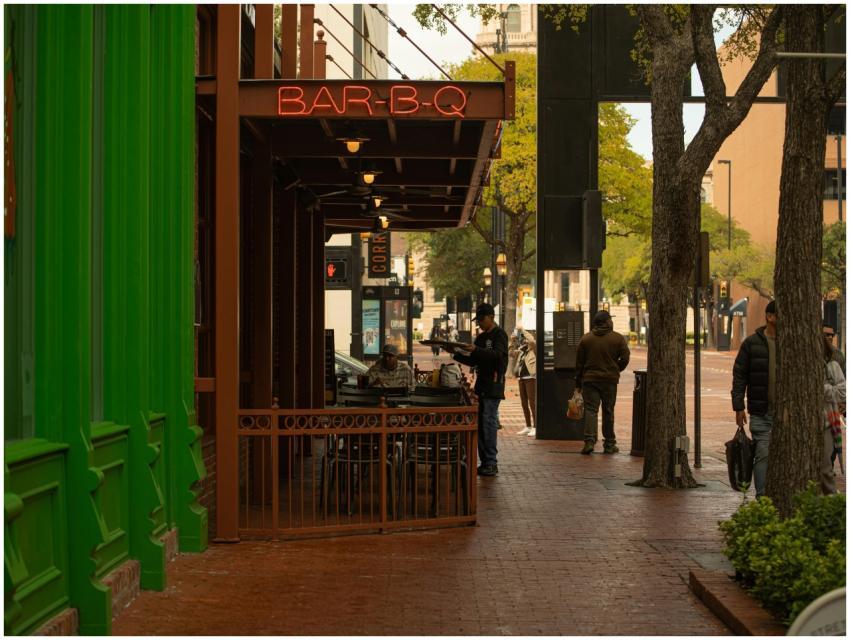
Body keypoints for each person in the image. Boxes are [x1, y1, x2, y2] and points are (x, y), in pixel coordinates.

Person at [445, 303, 508, 476]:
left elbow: (497, 355)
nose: (480, 323)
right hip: (482, 384)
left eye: (482, 319)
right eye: (478, 320)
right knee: (481, 423)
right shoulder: (480, 338)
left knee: (489, 422)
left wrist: (476, 350)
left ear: (491, 317)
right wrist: (455, 353)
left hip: (494, 383)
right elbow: (473, 360)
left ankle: (491, 461)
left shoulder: (499, 335)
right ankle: (485, 461)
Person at [731, 300, 777, 499]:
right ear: (770, 316)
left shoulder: (793, 343)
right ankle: (763, 497)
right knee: (763, 454)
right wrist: (738, 406)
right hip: (761, 411)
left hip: (788, 413)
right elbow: (739, 376)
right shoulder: (751, 343)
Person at [575, 310, 630, 455]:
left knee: (591, 411)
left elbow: (579, 364)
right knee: (608, 411)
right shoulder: (618, 339)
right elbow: (625, 358)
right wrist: (616, 369)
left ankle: (589, 441)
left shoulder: (586, 339)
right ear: (605, 322)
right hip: (609, 380)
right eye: (610, 320)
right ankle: (609, 444)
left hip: (590, 380)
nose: (612, 322)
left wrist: (578, 383)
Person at [822, 329, 846, 494]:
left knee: (825, 467)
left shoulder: (833, 366)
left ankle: (831, 502)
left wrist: (822, 389)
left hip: (828, 422)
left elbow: (842, 391)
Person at [514, 329, 537, 437]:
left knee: (532, 403)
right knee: (524, 403)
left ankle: (536, 426)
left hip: (530, 379)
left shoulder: (534, 350)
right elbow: (510, 354)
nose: (526, 341)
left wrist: (522, 330)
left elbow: (532, 340)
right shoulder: (522, 351)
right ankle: (528, 426)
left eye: (526, 339)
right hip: (521, 378)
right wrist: (512, 341)